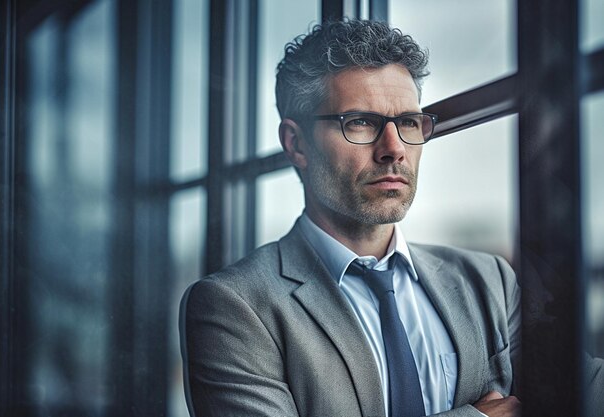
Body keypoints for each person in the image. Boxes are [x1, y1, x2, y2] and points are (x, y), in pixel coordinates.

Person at [180, 19, 522, 417]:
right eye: (360, 122)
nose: (394, 149)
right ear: (296, 143)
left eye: (409, 122)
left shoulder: (490, 280)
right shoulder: (233, 305)